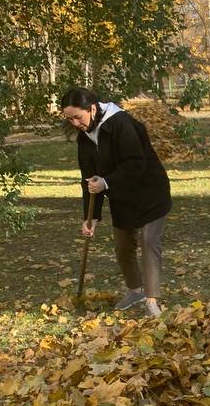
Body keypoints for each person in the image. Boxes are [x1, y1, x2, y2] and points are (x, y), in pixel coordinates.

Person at [61, 88, 172, 318]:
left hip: (150, 192)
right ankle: (136, 291)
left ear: (92, 108)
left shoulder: (121, 124)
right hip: (121, 197)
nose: (75, 123)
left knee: (149, 242)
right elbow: (89, 180)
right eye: (69, 119)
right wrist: (91, 218)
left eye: (77, 117)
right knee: (122, 247)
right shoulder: (84, 138)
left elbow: (136, 163)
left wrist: (106, 182)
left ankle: (152, 300)